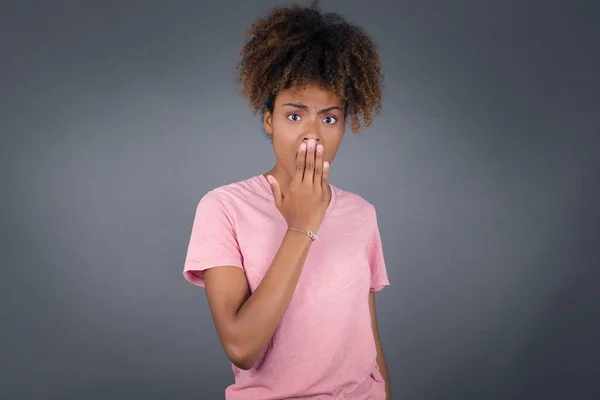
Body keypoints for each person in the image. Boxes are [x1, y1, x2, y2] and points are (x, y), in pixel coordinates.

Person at [183, 1, 391, 398]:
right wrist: (303, 226)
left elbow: (368, 342)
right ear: (269, 120)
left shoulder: (361, 214)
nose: (312, 134)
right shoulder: (224, 207)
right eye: (295, 115)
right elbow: (241, 347)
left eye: (329, 118)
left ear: (345, 126)